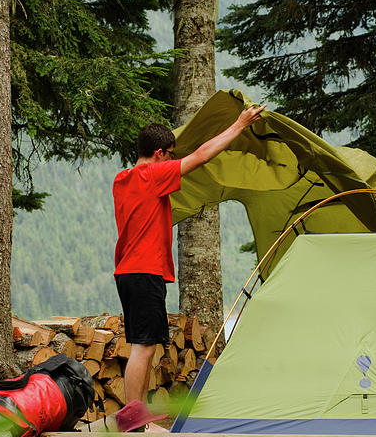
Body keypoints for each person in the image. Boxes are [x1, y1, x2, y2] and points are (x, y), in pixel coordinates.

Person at [112, 103, 266, 419]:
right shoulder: (152, 175)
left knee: (147, 345)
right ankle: (131, 418)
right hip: (144, 270)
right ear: (158, 154)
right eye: (169, 153)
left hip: (128, 271)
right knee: (143, 347)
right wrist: (239, 125)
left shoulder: (123, 179)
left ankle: (138, 418)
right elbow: (202, 156)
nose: (171, 158)